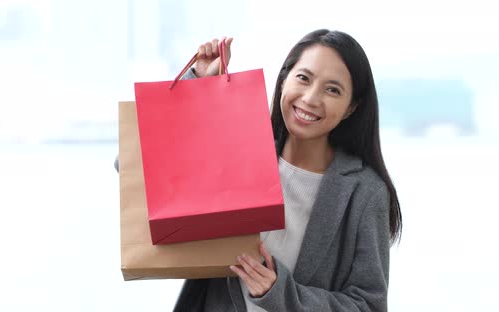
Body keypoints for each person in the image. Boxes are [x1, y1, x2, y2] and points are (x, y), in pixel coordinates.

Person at [172, 29, 402, 311]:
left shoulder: (365, 192)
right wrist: (196, 86)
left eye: (333, 90)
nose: (310, 98)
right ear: (284, 80)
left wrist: (280, 293)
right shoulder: (239, 153)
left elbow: (369, 305)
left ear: (351, 108)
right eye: (303, 78)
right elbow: (134, 169)